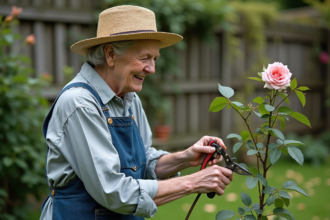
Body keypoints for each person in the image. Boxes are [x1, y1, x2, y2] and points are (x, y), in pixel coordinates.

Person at [40, 5, 233, 220]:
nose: (152, 69)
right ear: (111, 54)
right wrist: (193, 182)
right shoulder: (79, 103)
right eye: (144, 58)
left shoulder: (129, 98)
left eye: (155, 59)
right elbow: (113, 192)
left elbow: (143, 160)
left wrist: (185, 158)